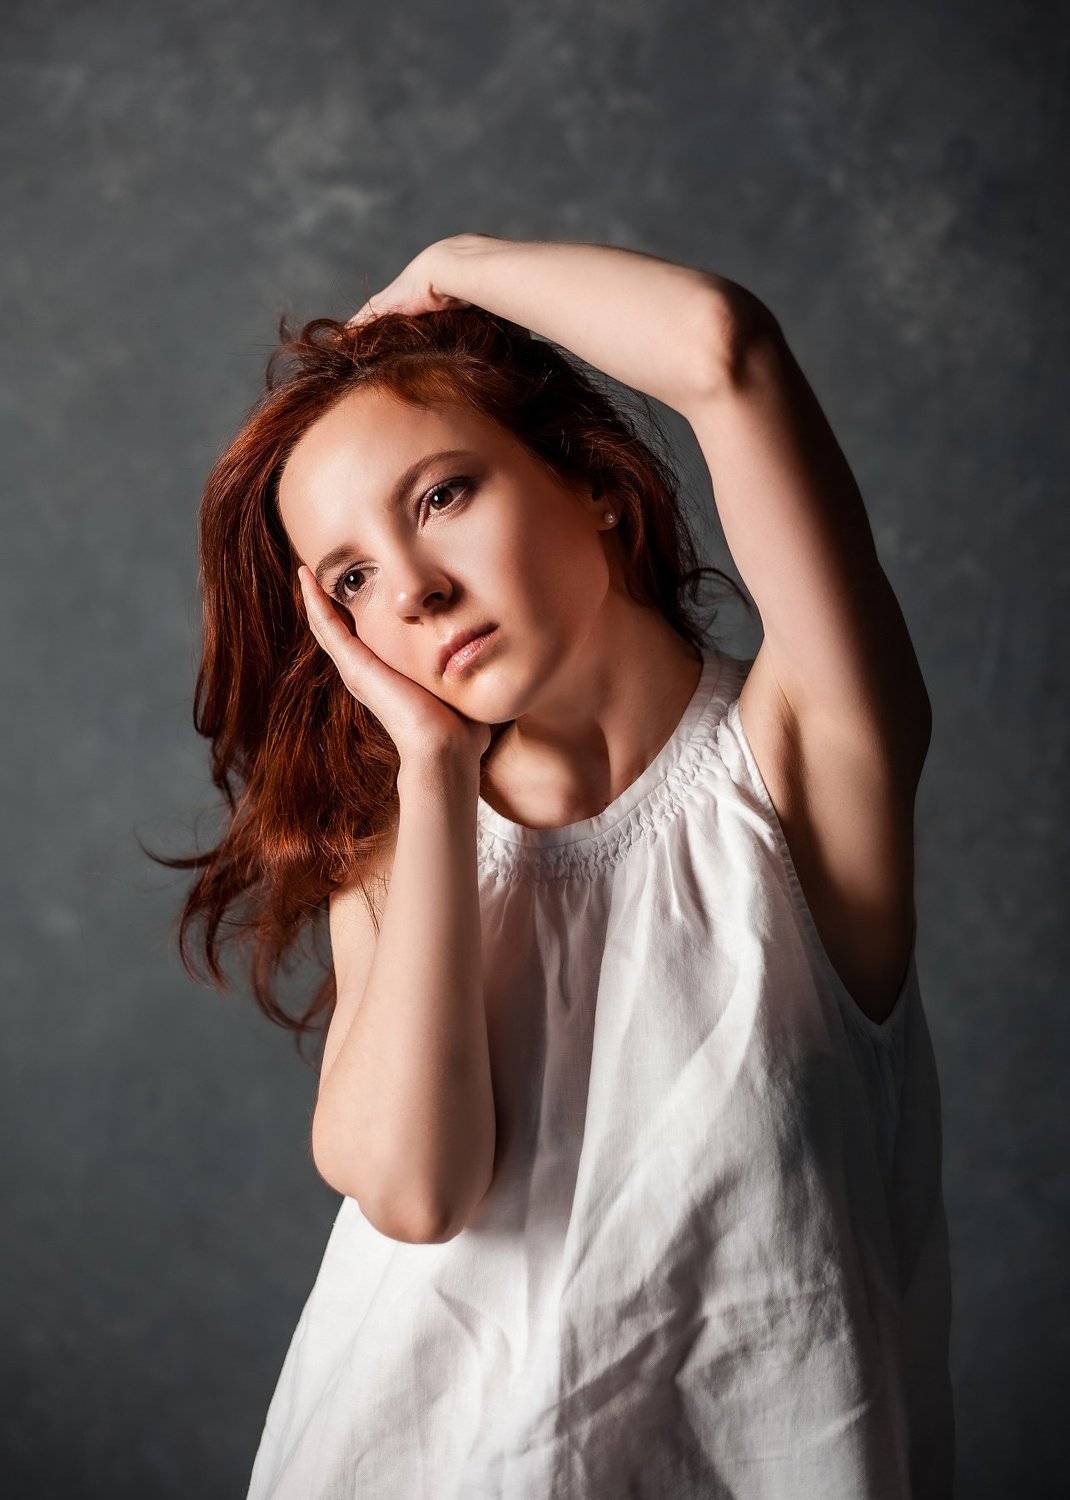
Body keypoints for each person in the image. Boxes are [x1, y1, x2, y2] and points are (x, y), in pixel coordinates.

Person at [158, 235, 954, 1496]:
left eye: (441, 496)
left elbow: (723, 351)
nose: (413, 590)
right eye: (352, 576)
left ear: (592, 484)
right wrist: (431, 770)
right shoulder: (399, 853)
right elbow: (416, 1194)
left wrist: (452, 264)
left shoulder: (800, 763)